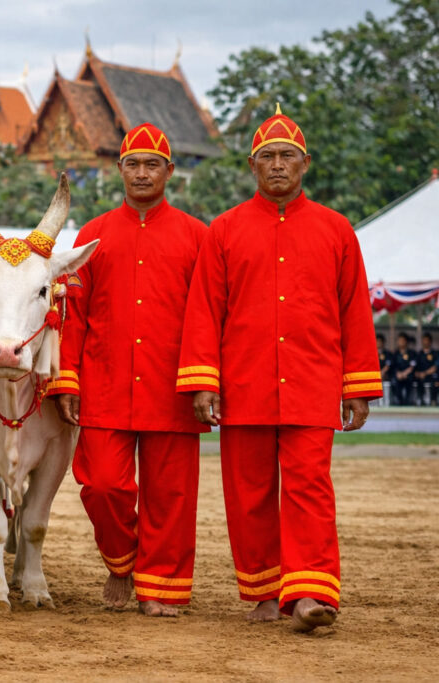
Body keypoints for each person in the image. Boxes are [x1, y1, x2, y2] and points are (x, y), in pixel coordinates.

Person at [177, 104, 381, 633]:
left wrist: (357, 385)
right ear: (252, 166)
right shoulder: (224, 231)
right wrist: (203, 381)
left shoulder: (337, 230)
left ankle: (310, 592)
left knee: (309, 486)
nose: (277, 165)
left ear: (305, 163)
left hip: (313, 382)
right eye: (266, 156)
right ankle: (265, 593)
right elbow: (205, 311)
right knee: (249, 493)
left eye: (287, 156)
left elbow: (354, 311)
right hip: (243, 383)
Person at [50, 122, 209, 617]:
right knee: (102, 485)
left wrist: (204, 380)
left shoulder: (197, 236)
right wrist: (67, 377)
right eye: (133, 164)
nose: (142, 173)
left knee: (170, 496)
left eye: (152, 165)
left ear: (169, 171)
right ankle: (122, 562)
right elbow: (73, 315)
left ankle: (160, 589)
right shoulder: (93, 235)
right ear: (119, 169)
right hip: (104, 382)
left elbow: (207, 315)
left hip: (172, 387)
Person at [392, 332, 416, 406]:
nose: (401, 342)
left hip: (408, 375)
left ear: (406, 342)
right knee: (394, 381)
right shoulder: (395, 353)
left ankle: (408, 401)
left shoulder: (412, 353)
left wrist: (404, 374)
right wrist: (398, 374)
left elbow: (412, 365)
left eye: (402, 340)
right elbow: (393, 366)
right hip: (398, 376)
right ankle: (398, 401)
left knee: (410, 380)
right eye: (399, 340)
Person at [415, 332, 437, 406]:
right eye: (424, 340)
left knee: (436, 380)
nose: (425, 342)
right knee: (416, 379)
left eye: (427, 340)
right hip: (421, 376)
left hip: (431, 375)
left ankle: (433, 400)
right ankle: (420, 399)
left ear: (430, 342)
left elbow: (435, 367)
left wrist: (425, 373)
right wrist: (418, 373)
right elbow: (415, 367)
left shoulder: (435, 353)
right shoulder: (419, 354)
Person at [376, 334, 393, 405]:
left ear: (383, 343)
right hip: (374, 375)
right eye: (377, 341)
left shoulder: (387, 353)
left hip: (385, 376)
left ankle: (386, 403)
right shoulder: (372, 353)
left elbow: (388, 365)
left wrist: (381, 373)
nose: (378, 343)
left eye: (380, 341)